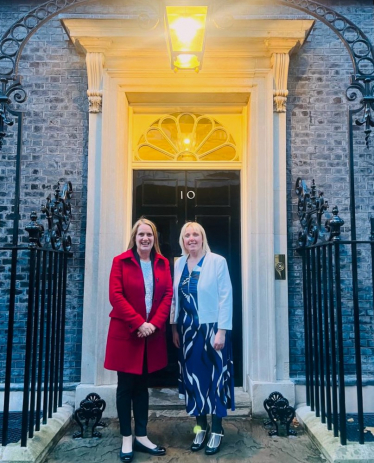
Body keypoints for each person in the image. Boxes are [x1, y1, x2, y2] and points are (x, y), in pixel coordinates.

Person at [104, 218, 172, 462]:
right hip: (128, 334)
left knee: (142, 387)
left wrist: (153, 324)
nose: (145, 239)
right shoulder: (120, 262)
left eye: (149, 235)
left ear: (155, 238)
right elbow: (116, 296)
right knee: (125, 388)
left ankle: (141, 435)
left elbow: (167, 295)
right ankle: (125, 437)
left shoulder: (163, 263)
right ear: (134, 237)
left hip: (150, 335)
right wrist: (139, 323)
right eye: (141, 234)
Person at [171, 222, 235, 455]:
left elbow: (225, 297)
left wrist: (222, 331)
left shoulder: (217, 261)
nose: (191, 238)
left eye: (195, 234)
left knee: (215, 381)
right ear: (183, 240)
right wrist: (174, 328)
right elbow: (175, 299)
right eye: (187, 235)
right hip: (188, 332)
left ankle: (217, 430)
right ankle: (200, 427)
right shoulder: (178, 263)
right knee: (194, 382)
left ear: (202, 237)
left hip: (212, 330)